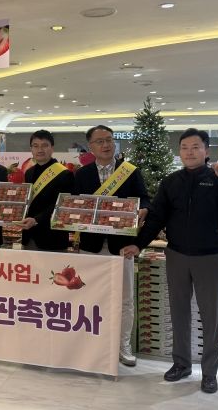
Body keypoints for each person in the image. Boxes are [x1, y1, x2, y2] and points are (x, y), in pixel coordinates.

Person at [121, 128, 218, 394]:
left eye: (195, 147)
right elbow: (157, 217)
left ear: (206, 151)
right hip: (176, 255)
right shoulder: (171, 181)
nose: (190, 152)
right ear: (179, 151)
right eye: (185, 147)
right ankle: (181, 364)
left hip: (209, 256)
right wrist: (139, 243)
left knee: (210, 316)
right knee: (178, 312)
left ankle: (209, 373)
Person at [74, 125, 151, 367]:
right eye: (99, 141)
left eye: (109, 140)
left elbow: (145, 197)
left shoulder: (130, 171)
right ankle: (92, 344)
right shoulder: (82, 174)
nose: (106, 145)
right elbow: (74, 204)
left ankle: (122, 345)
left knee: (125, 299)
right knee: (89, 295)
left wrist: (144, 208)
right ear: (90, 147)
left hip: (122, 245)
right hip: (91, 245)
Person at [20, 130, 74, 251]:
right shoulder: (29, 172)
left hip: (53, 238)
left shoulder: (65, 174)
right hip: (29, 236)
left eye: (44, 145)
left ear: (52, 148)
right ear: (31, 149)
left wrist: (36, 220)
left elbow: (61, 205)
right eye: (35, 146)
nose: (40, 150)